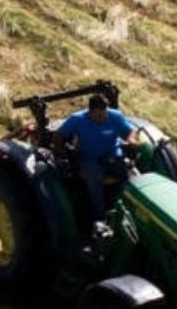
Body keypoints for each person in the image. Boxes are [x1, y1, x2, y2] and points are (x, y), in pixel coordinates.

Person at [52, 94, 140, 236]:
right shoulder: (77, 119)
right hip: (88, 159)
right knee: (94, 177)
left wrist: (131, 139)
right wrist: (61, 153)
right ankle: (100, 219)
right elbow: (59, 136)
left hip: (112, 157)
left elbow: (130, 131)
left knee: (131, 174)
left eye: (104, 115)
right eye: (98, 116)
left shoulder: (115, 116)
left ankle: (133, 212)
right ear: (89, 111)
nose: (102, 119)